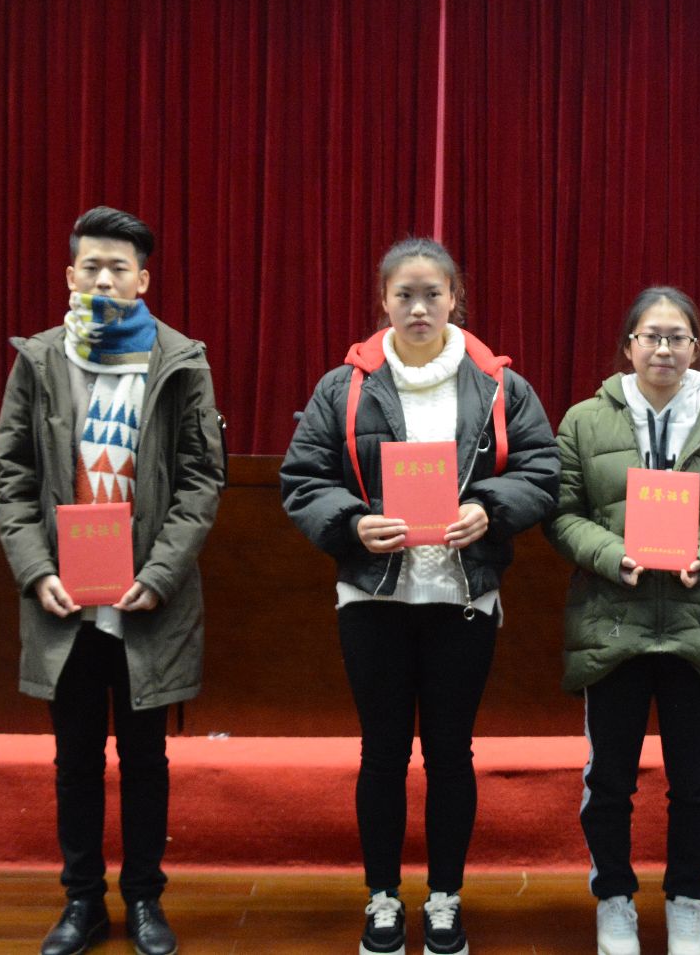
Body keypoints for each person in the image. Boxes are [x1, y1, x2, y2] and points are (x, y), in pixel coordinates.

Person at [280, 236, 559, 955]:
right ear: (384, 301)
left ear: (454, 299)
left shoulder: (499, 386)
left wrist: (489, 508)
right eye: (404, 294)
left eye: (432, 293)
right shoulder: (344, 386)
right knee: (381, 754)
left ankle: (443, 899)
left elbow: (541, 469)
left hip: (463, 600)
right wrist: (352, 523)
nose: (418, 307)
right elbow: (303, 478)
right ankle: (381, 898)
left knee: (450, 755)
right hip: (373, 599)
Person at [0, 206, 227, 955]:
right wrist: (36, 570)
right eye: (90, 265)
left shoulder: (180, 359)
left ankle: (146, 899)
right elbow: (12, 478)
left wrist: (160, 574)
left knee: (146, 759)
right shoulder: (39, 359)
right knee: (76, 760)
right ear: (70, 274)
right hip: (64, 600)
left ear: (142, 280)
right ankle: (82, 901)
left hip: (147, 601)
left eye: (118, 267)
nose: (103, 278)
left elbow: (201, 479)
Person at [546, 286, 700, 955]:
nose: (664, 349)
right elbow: (560, 513)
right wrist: (612, 555)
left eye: (677, 337)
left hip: (699, 625)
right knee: (609, 779)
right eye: (651, 336)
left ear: (695, 347)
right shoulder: (584, 421)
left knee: (694, 782)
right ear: (629, 346)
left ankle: (686, 901)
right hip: (612, 623)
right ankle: (614, 899)